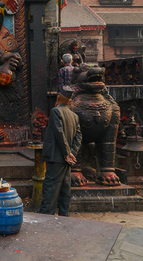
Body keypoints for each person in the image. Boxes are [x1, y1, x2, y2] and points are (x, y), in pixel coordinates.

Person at [38, 87, 82, 216]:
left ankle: (47, 217)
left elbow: (59, 132)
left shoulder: (55, 111)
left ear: (58, 98)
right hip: (66, 158)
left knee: (50, 188)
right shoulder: (74, 116)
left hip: (57, 157)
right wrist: (72, 153)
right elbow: (78, 136)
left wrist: (67, 153)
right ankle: (64, 215)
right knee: (64, 188)